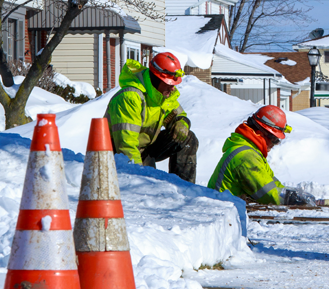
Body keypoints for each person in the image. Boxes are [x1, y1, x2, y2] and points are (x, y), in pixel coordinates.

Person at [104, 52, 198, 183]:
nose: (172, 89)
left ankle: (184, 187)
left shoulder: (162, 94)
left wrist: (181, 122)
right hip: (118, 156)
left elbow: (179, 114)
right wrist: (141, 179)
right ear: (156, 78)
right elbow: (127, 146)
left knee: (187, 138)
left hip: (145, 149)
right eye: (169, 84)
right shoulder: (130, 98)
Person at [209, 105, 311, 205]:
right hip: (221, 213)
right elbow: (269, 195)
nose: (275, 144)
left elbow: (273, 184)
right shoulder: (246, 157)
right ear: (260, 133)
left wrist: (295, 194)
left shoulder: (252, 153)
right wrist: (295, 200)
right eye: (274, 139)